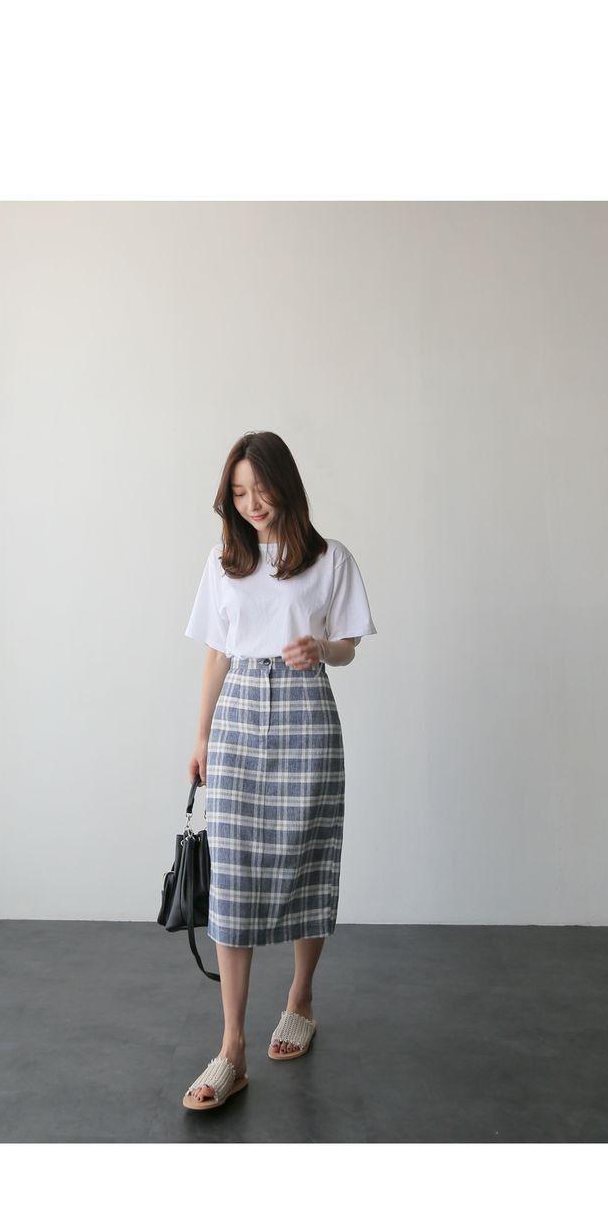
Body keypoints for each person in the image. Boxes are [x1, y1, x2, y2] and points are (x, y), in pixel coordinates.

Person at [181, 430, 376, 1111]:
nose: (252, 504)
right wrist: (201, 735)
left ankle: (300, 999)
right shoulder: (224, 562)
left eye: (260, 490)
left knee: (307, 857)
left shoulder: (329, 559)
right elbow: (216, 652)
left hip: (305, 713)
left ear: (285, 485)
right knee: (233, 875)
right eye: (239, 493)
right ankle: (231, 1047)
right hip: (238, 716)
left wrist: (321, 647)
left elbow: (348, 647)